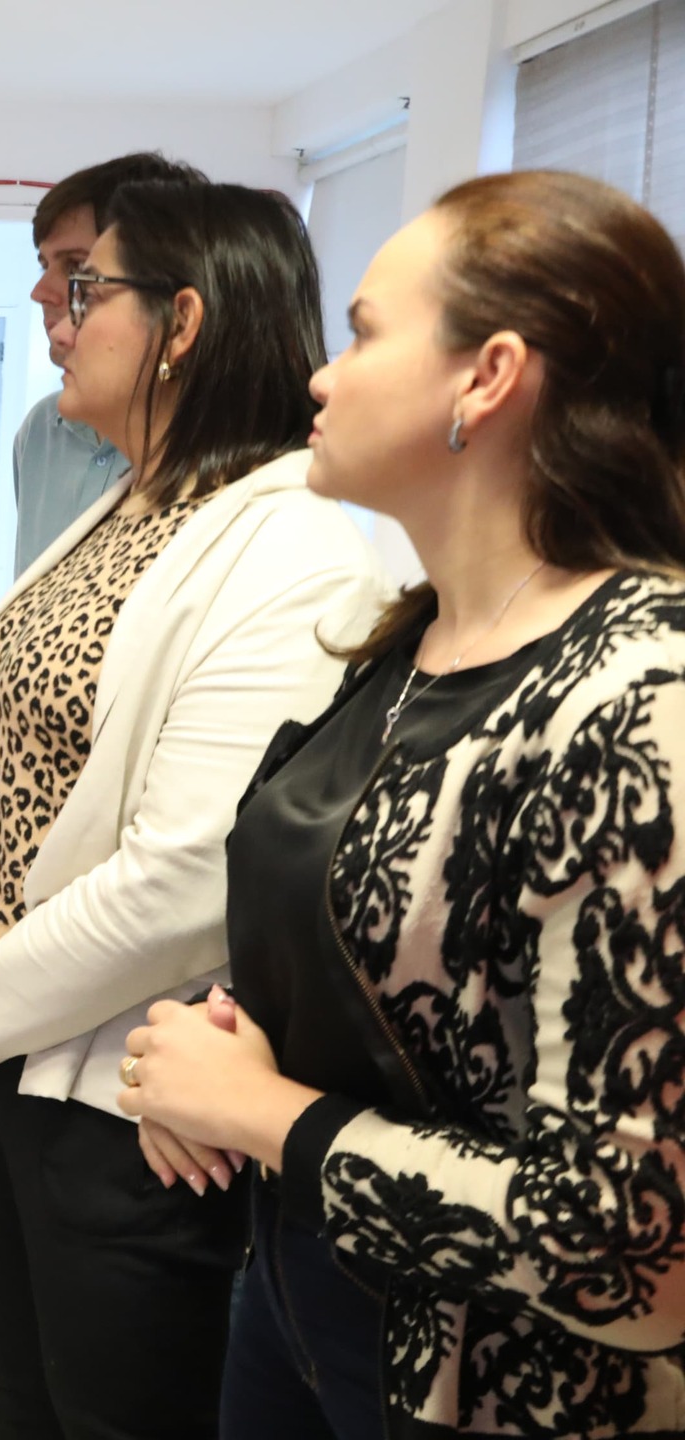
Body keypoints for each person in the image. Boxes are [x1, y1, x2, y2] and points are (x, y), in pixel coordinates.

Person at [122, 171, 685, 1438]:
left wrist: (262, 1114)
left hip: (498, 1381)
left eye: (366, 334)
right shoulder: (407, 643)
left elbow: (626, 1252)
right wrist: (225, 1046)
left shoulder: (641, 697)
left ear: (488, 377)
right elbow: (383, 953)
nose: (321, 376)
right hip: (300, 1300)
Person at [0, 181, 385, 1440]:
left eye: (88, 288)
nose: (55, 310)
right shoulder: (129, 502)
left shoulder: (294, 545)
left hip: (114, 1094)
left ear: (183, 323)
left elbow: (188, 876)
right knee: (22, 1402)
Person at [13, 152, 207, 571]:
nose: (40, 291)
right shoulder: (39, 433)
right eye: (44, 264)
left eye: (79, 268)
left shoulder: (217, 467)